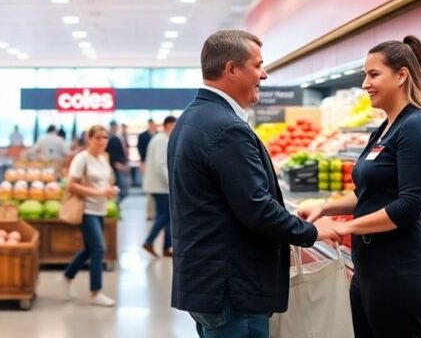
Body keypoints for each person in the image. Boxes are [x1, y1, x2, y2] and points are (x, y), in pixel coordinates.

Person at [169, 30, 334, 338]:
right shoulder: (226, 128)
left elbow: (228, 202)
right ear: (231, 69)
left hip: (209, 282)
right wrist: (312, 232)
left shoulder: (193, 118)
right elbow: (257, 209)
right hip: (233, 286)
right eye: (258, 65)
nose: (264, 74)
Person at [300, 36, 421, 338]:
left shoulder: (415, 127)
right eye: (365, 75)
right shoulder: (386, 128)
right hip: (371, 268)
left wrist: (346, 228)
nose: (365, 83)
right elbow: (368, 191)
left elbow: (409, 205)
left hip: (400, 270)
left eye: (374, 74)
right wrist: (325, 207)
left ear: (401, 75)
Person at [62, 125, 120, 307]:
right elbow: (71, 185)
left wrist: (109, 190)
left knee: (89, 249)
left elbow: (104, 182)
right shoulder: (81, 158)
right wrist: (98, 193)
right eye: (98, 137)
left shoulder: (104, 157)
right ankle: (96, 292)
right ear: (90, 139)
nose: (102, 141)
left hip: (100, 209)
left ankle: (68, 275)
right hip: (86, 209)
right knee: (99, 249)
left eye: (105, 137)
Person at [142, 115, 175, 258]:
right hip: (160, 186)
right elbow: (161, 165)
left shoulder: (159, 138)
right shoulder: (162, 140)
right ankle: (149, 241)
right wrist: (171, 183)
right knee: (164, 215)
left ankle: (167, 247)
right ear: (168, 125)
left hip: (158, 185)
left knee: (167, 216)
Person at [137, 118, 158, 218]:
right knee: (150, 187)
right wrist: (142, 163)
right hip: (145, 161)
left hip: (156, 163)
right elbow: (140, 149)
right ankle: (150, 213)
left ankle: (154, 211)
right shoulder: (143, 135)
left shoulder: (158, 135)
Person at [105, 121, 128, 200]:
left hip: (119, 164)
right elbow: (111, 153)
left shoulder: (117, 137)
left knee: (121, 188)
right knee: (119, 187)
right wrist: (116, 163)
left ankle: (116, 202)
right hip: (115, 166)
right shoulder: (110, 138)